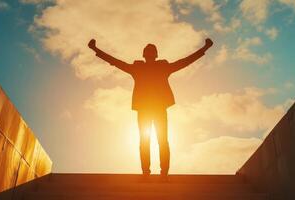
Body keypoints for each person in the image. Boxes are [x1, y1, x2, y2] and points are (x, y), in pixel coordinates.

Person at [88, 38, 213, 177]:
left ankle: (164, 172)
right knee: (145, 141)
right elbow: (115, 62)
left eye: (151, 51)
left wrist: (204, 49)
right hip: (144, 109)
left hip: (159, 108)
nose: (149, 53)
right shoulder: (137, 68)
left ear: (156, 54)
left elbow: (184, 62)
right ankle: (146, 172)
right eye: (147, 51)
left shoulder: (163, 67)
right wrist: (96, 50)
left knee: (162, 140)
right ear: (144, 54)